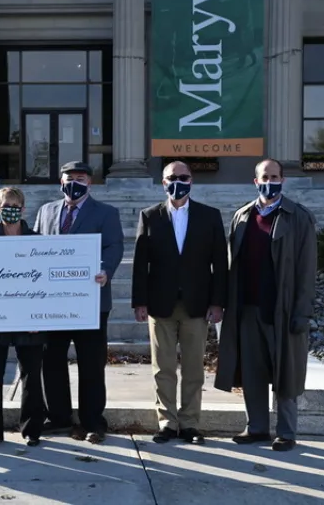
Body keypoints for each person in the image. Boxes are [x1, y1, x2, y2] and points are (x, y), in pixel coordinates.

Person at [214, 159, 317, 452]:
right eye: (264, 177)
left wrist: (302, 311)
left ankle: (286, 431)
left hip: (281, 310)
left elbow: (307, 270)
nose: (269, 181)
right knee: (252, 372)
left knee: (286, 372)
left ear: (283, 180)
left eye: (275, 176)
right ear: (255, 181)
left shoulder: (298, 217)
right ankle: (256, 427)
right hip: (247, 307)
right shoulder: (242, 216)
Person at [132, 161, 227, 446]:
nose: (178, 182)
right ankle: (166, 422)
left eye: (183, 177)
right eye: (172, 177)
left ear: (192, 180)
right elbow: (140, 264)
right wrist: (139, 301)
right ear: (163, 182)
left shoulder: (210, 216)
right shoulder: (149, 216)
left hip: (197, 304)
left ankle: (189, 424)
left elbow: (220, 264)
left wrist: (218, 302)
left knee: (194, 369)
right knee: (163, 368)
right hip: (160, 304)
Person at [34, 160, 124, 444]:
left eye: (80, 177)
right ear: (61, 181)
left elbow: (114, 246)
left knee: (91, 364)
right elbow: (35, 247)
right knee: (52, 361)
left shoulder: (106, 213)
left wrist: (105, 270)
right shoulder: (46, 211)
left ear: (90, 182)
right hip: (53, 304)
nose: (74, 181)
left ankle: (93, 422)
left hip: (91, 301)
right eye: (70, 177)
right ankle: (59, 417)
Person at [0, 187, 47, 448]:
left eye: (16, 205)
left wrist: (41, 317)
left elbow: (45, 283)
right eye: (6, 205)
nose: (11, 209)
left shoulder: (39, 241)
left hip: (30, 321)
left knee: (31, 375)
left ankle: (32, 428)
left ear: (24, 208)